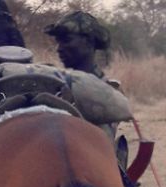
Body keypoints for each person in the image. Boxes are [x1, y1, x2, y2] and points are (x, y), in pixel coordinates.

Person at [44, 11, 119, 142]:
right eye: (58, 42)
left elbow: (100, 144)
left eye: (66, 40)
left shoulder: (105, 92)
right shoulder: (58, 83)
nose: (59, 48)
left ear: (89, 42)